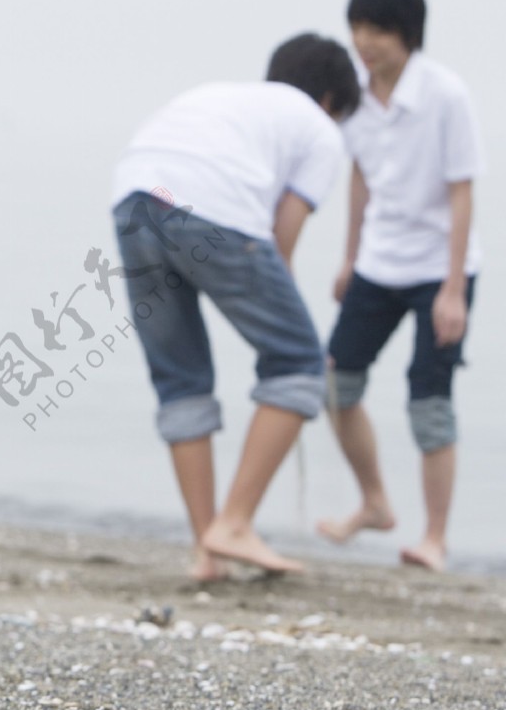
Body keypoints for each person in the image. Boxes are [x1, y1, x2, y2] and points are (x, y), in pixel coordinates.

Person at [111, 33, 361, 578]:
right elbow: (281, 241)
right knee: (298, 362)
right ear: (331, 102)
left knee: (180, 378)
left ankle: (208, 549)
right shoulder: (319, 129)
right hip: (211, 205)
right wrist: (290, 325)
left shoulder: (221, 98)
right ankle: (236, 523)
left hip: (133, 198)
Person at [316, 0, 484, 572]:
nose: (365, 41)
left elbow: (462, 193)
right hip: (377, 263)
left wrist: (454, 289)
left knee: (429, 402)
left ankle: (434, 537)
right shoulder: (355, 97)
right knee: (336, 380)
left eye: (378, 30)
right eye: (357, 27)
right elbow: (361, 179)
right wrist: (348, 257)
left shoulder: (445, 95)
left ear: (407, 34)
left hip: (440, 269)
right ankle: (374, 503)